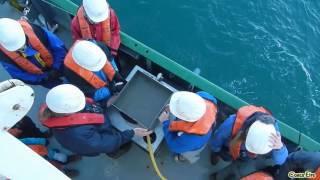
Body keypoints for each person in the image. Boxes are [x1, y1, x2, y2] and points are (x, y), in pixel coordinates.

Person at [39, 84, 152, 157]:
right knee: (114, 148)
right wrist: (132, 133)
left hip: (97, 130)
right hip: (98, 144)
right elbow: (106, 144)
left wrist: (106, 103)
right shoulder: (78, 135)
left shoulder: (62, 106)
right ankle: (116, 153)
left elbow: (88, 108)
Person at [210, 105, 288, 179]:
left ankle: (221, 175)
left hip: (244, 156)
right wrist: (216, 150)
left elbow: (281, 161)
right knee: (226, 156)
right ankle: (217, 163)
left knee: (236, 166)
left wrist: (280, 148)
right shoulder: (231, 123)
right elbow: (218, 137)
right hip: (231, 149)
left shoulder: (273, 134)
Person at [0, 18, 66, 88]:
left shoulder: (36, 31)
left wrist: (56, 67)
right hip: (44, 79)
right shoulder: (3, 56)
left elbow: (59, 48)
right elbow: (20, 75)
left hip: (59, 63)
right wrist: (44, 78)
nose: (21, 47)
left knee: (70, 75)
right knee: (58, 88)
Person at [8, 116, 81, 178]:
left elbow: (29, 140)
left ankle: (66, 159)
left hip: (43, 151)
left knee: (59, 156)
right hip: (35, 163)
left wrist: (42, 141)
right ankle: (64, 173)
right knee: (51, 168)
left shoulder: (15, 142)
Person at [158, 91, 217, 163]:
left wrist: (165, 123)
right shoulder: (206, 97)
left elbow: (174, 146)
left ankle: (182, 157)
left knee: (188, 153)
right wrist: (174, 105)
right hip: (207, 130)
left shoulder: (191, 139)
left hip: (195, 144)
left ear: (185, 118)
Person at [71, 0, 120, 68]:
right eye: (95, 21)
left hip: (110, 52)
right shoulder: (76, 23)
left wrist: (112, 52)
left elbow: (115, 32)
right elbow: (78, 43)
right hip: (92, 57)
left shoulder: (110, 14)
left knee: (116, 67)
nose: (98, 22)